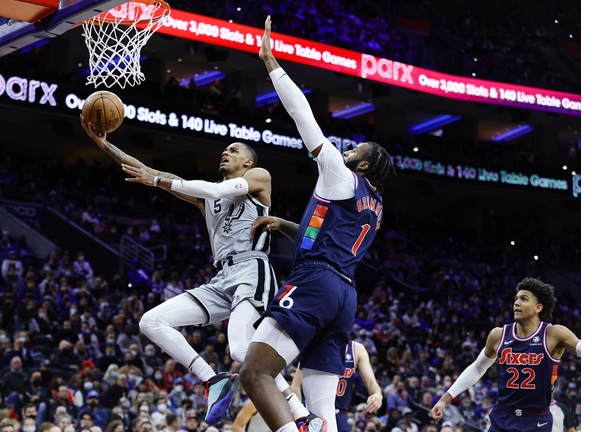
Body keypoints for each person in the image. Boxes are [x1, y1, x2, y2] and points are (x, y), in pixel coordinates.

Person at [82, 86, 294, 426]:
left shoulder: (258, 177)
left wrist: (156, 181)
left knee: (241, 350)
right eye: (224, 149)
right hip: (221, 277)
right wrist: (106, 145)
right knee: (150, 321)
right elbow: (147, 169)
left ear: (248, 161)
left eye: (234, 150)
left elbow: (207, 188)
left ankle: (298, 412)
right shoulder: (204, 197)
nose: (226, 152)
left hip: (252, 268)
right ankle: (213, 379)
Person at [239, 15, 393, 432]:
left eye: (354, 147)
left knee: (254, 373)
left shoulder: (341, 175)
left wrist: (271, 62)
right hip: (344, 296)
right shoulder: (374, 203)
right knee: (327, 414)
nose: (345, 147)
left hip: (315, 283)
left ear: (362, 163)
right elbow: (324, 235)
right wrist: (285, 224)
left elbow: (302, 115)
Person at [430, 278, 582, 432]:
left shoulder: (553, 333)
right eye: (516, 299)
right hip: (502, 417)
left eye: (524, 299)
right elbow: (477, 368)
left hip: (537, 420)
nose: (516, 303)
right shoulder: (499, 335)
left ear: (538, 308)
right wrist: (444, 400)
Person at [288, 339, 383, 432]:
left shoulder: (356, 349)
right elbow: (296, 385)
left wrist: (377, 394)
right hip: (315, 414)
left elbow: (371, 383)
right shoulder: (314, 345)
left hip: (341, 414)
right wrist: (300, 414)